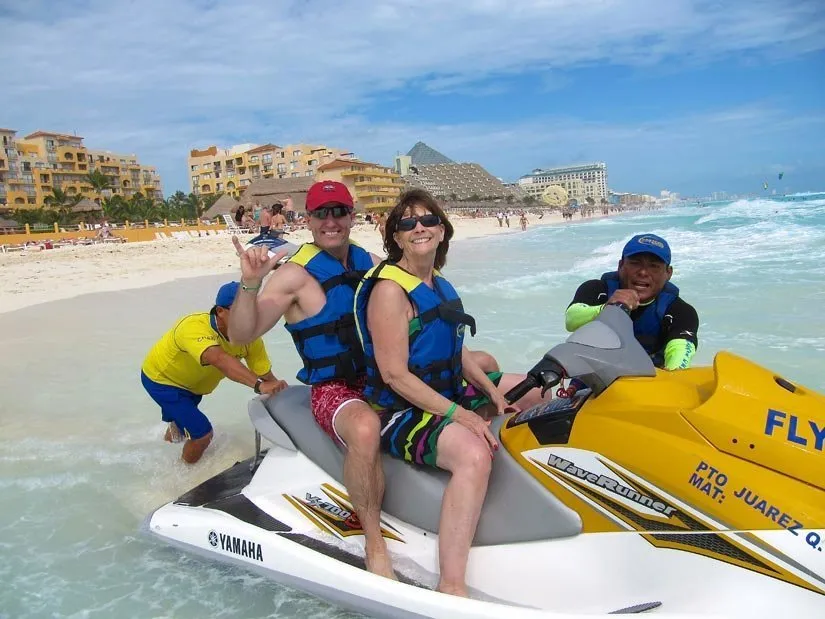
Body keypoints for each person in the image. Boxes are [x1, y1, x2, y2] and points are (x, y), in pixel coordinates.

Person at [353, 189, 548, 597]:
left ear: (442, 230)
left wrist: (495, 395)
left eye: (427, 221)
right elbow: (395, 375)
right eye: (407, 223)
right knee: (473, 454)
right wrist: (463, 416)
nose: (418, 228)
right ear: (396, 237)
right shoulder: (391, 291)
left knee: (532, 392)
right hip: (400, 410)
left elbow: (453, 349)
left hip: (444, 392)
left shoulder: (438, 284)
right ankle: (452, 584)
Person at [226, 180, 394, 579]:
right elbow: (240, 335)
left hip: (381, 380)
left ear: (352, 217)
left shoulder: (370, 262)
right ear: (309, 220)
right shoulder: (293, 277)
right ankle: (375, 543)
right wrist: (250, 282)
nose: (331, 221)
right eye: (322, 213)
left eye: (339, 212)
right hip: (334, 389)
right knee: (366, 429)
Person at [141, 282, 287, 464]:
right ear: (220, 311)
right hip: (163, 381)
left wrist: (283, 394)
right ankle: (184, 474)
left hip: (194, 387)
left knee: (181, 426)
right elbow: (219, 359)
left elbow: (265, 373)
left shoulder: (250, 337)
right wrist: (259, 385)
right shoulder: (193, 327)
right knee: (202, 434)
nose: (250, 316)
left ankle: (166, 448)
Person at [565, 233, 699, 370]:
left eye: (654, 266)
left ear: (668, 273)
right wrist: (608, 307)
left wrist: (674, 376)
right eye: (635, 263)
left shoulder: (680, 311)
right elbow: (572, 320)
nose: (643, 272)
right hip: (593, 381)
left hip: (649, 383)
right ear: (621, 265)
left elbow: (680, 351)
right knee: (541, 389)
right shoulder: (597, 289)